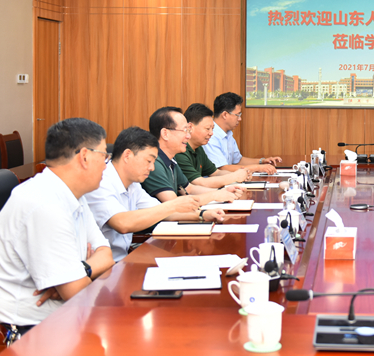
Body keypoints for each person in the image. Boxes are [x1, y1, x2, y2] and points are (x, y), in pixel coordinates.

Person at [0, 118, 115, 330]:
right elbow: (77, 293)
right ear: (85, 156)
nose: (106, 165)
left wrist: (81, 269)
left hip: (61, 318)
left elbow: (106, 255)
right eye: (104, 156)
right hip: (22, 332)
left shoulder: (73, 195)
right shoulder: (43, 203)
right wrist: (74, 279)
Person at [85, 127, 228, 262]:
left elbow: (162, 212)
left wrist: (202, 215)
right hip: (106, 266)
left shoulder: (133, 184)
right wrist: (173, 205)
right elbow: (123, 223)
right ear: (127, 155)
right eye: (149, 161)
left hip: (122, 259)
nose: (152, 168)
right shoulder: (101, 181)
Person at [141, 106, 243, 204]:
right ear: (165, 134)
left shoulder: (171, 159)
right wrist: (214, 196)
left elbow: (189, 188)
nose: (188, 136)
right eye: (185, 130)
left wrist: (222, 192)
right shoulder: (154, 163)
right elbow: (173, 203)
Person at [204, 92, 282, 175]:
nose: (240, 119)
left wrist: (262, 161)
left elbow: (238, 161)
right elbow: (222, 168)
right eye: (237, 115)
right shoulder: (210, 135)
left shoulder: (228, 134)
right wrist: (258, 168)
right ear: (225, 115)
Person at [175, 103, 250, 187]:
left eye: (212, 129)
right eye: (207, 129)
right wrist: (235, 177)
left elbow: (216, 172)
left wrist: (241, 174)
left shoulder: (198, 148)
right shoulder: (180, 151)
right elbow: (200, 182)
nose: (211, 133)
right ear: (190, 127)